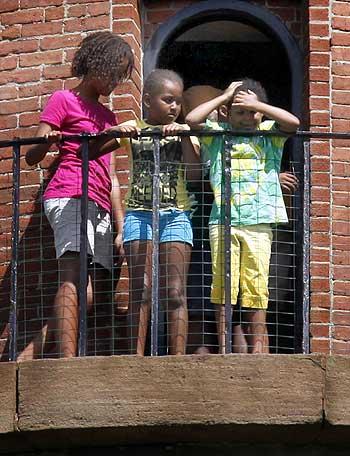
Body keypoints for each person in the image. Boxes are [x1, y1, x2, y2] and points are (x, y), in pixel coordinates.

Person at [20, 31, 134, 359]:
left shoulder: (108, 116)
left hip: (98, 202)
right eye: (114, 72)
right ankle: (68, 361)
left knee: (91, 291)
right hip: (69, 193)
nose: (116, 81)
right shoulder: (63, 100)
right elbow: (32, 156)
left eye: (122, 75)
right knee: (73, 277)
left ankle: (29, 354)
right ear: (96, 64)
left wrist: (121, 223)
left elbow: (110, 174)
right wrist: (49, 138)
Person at [186, 78, 300, 354]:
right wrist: (225, 96)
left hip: (259, 223)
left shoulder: (268, 134)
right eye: (241, 111)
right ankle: (225, 347)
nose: (248, 118)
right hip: (223, 222)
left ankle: (259, 349)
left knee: (256, 286)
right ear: (228, 112)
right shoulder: (218, 133)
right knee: (224, 284)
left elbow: (293, 123)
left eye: (252, 112)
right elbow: (192, 119)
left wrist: (258, 105)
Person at [104, 69, 200, 356]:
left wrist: (184, 136)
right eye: (167, 100)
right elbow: (95, 149)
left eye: (178, 102)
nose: (174, 107)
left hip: (176, 216)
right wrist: (115, 132)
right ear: (148, 100)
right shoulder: (134, 127)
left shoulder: (185, 132)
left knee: (174, 291)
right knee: (141, 290)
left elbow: (195, 176)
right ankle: (136, 358)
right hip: (138, 215)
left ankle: (177, 359)